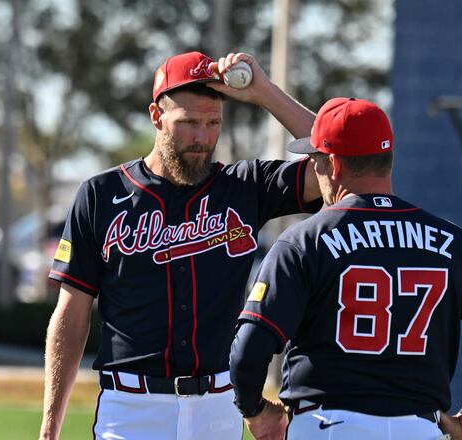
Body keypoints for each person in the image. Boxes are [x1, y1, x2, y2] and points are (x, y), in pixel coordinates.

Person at [39, 51, 322, 440]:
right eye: (188, 122)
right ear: (156, 116)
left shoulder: (245, 186)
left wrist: (263, 92)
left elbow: (336, 159)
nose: (202, 137)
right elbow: (71, 315)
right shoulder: (102, 194)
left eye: (212, 123)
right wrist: (49, 426)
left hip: (218, 406)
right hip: (132, 408)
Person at [229, 97, 462, 440]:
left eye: (316, 160)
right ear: (387, 159)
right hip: (418, 429)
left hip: (328, 427)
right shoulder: (453, 243)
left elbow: (248, 352)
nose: (316, 170)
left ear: (334, 165)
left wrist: (255, 410)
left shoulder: (304, 241)